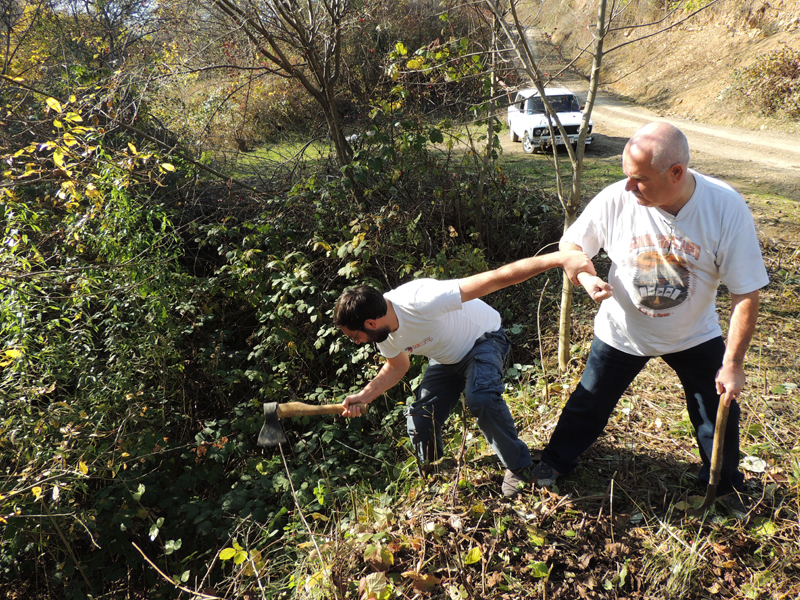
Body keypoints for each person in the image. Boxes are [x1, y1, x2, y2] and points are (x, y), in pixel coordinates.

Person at [530, 122, 769, 520]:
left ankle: (724, 486)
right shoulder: (617, 199)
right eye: (627, 176)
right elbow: (571, 244)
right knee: (589, 402)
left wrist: (734, 362)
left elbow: (746, 292)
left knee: (717, 411)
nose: (628, 188)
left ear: (676, 173)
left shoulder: (725, 208)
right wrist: (586, 275)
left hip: (694, 333)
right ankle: (554, 462)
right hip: (622, 332)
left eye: (640, 179)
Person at [333, 251, 594, 498]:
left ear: (370, 323)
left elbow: (496, 277)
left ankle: (519, 467)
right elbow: (396, 366)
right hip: (446, 359)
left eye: (355, 336)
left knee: (480, 397)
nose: (357, 343)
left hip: (484, 339)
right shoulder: (384, 334)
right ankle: (434, 472)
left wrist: (559, 258)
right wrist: (364, 396)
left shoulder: (422, 299)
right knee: (420, 416)